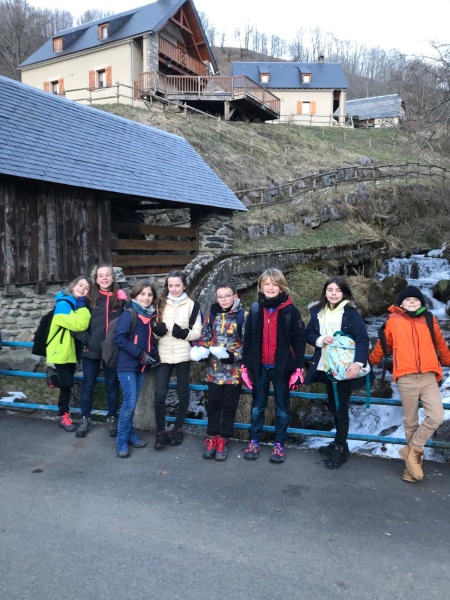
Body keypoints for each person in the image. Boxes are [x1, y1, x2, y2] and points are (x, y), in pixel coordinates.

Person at [369, 285, 450, 483]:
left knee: (436, 416)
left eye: (416, 299)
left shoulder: (429, 319)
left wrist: (448, 360)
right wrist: (369, 362)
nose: (412, 302)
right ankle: (413, 465)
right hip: (406, 376)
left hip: (429, 376)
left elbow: (440, 344)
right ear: (400, 303)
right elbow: (383, 345)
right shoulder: (393, 320)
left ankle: (412, 449)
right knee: (411, 421)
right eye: (408, 299)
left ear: (421, 302)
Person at [241, 268, 306, 464]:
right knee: (257, 407)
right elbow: (248, 339)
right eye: (267, 284)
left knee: (282, 408)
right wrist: (245, 367)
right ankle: (254, 440)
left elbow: (299, 341)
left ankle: (279, 443)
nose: (270, 288)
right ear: (261, 286)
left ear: (281, 286)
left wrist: (299, 368)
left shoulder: (290, 311)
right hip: (259, 367)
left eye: (275, 284)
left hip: (282, 368)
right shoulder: (255, 310)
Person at [304, 276, 370, 469]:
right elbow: (309, 333)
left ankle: (340, 448)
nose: (334, 294)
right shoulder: (317, 311)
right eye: (330, 290)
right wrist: (320, 340)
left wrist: (357, 363)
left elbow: (363, 339)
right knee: (334, 405)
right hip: (326, 366)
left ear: (344, 293)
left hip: (344, 368)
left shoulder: (351, 314)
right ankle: (339, 443)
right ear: (325, 292)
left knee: (340, 408)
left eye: (338, 290)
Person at [191, 282, 247, 461]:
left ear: (235, 296)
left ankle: (223, 439)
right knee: (214, 404)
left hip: (233, 372)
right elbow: (205, 337)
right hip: (213, 371)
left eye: (227, 296)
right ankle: (211, 436)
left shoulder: (243, 316)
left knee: (229, 406)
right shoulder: (212, 315)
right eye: (220, 297)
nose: (224, 300)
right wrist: (201, 351)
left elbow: (249, 343)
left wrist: (234, 355)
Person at [75, 264, 127, 439]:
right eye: (101, 276)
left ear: (113, 277)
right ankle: (85, 418)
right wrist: (87, 341)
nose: (104, 278)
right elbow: (78, 324)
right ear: (96, 279)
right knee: (88, 385)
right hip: (92, 349)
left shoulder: (120, 299)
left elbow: (128, 321)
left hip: (112, 350)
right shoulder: (88, 298)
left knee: (112, 385)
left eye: (107, 275)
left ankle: (112, 418)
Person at [153, 270, 202, 450]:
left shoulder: (192, 305)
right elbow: (153, 329)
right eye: (171, 285)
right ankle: (160, 431)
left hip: (183, 355)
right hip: (163, 354)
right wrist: (156, 332)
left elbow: (198, 332)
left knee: (183, 393)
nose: (174, 289)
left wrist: (184, 334)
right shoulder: (160, 303)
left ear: (184, 286)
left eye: (177, 285)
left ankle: (178, 428)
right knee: (159, 394)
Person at [114, 281, 159, 458]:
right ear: (135, 296)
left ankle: (130, 434)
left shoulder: (150, 316)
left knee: (132, 402)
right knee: (129, 403)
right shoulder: (130, 314)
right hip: (127, 366)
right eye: (142, 294)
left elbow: (147, 342)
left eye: (149, 295)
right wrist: (141, 355)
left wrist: (154, 356)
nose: (146, 298)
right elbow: (119, 338)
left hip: (141, 366)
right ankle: (121, 442)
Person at [46, 276, 92, 432]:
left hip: (70, 352)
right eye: (80, 285)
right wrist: (83, 306)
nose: (82, 289)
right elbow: (80, 324)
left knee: (66, 388)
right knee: (66, 383)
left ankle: (63, 416)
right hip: (59, 350)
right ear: (73, 286)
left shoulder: (74, 304)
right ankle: (51, 378)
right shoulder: (64, 304)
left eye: (86, 288)